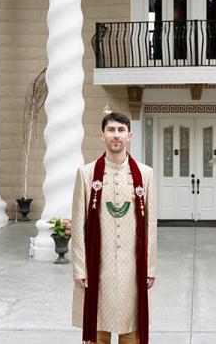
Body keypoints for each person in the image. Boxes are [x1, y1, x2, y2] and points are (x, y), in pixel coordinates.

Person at [72, 112, 158, 344]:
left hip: (133, 266)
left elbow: (151, 225)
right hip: (97, 265)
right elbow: (79, 224)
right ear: (102, 135)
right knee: (98, 325)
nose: (116, 135)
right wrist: (80, 268)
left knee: (131, 326)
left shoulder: (146, 174)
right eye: (111, 130)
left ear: (130, 135)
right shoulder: (86, 174)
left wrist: (150, 267)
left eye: (121, 130)